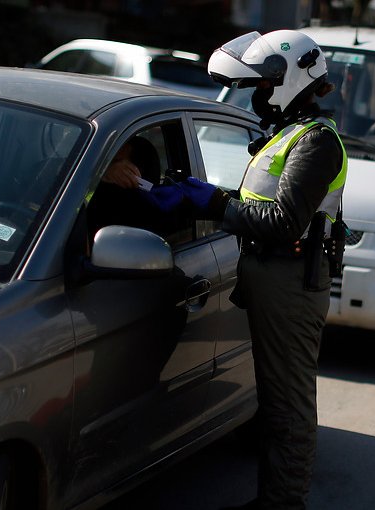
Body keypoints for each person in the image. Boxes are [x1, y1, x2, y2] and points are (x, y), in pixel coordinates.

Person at [148, 30, 348, 510]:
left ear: (290, 79)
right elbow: (262, 203)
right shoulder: (287, 136)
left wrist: (214, 202)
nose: (257, 93)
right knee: (275, 401)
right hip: (273, 274)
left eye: (262, 84)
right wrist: (206, 194)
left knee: (288, 407)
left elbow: (283, 220)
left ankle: (282, 504)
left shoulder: (315, 142)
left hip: (291, 280)